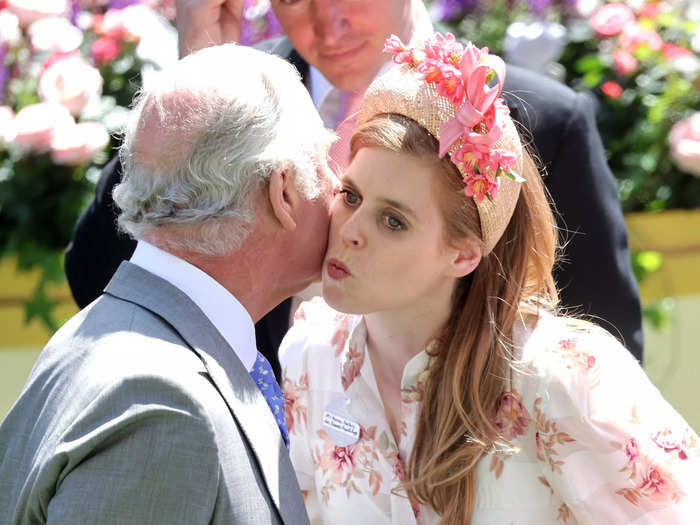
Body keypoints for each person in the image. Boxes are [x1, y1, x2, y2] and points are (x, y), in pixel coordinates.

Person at [64, 0, 643, 379]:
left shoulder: (541, 122)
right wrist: (201, 80)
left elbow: (603, 342)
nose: (327, 24)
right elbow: (97, 276)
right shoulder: (232, 86)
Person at [279, 35, 698, 524]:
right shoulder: (310, 352)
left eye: (393, 221)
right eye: (350, 196)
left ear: (463, 255)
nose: (349, 232)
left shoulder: (563, 374)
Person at [0, 43, 338, 524]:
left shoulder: (118, 340)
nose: (340, 184)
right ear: (283, 191)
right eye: (326, 158)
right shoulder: (166, 405)